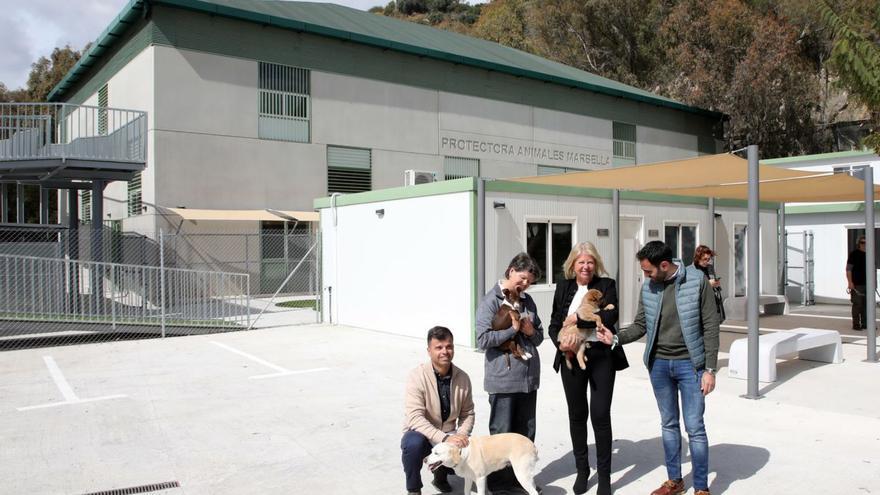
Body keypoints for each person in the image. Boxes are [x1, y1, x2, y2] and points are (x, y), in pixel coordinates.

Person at [596, 241, 720, 495]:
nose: (646, 276)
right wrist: (616, 337)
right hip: (659, 365)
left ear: (664, 265)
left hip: (691, 366)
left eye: (649, 271)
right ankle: (675, 481)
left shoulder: (696, 282)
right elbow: (641, 324)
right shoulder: (649, 287)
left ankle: (702, 488)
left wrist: (710, 369)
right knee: (669, 423)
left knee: (695, 427)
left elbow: (711, 326)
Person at [548, 242, 628, 495]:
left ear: (596, 264)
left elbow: (609, 317)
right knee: (577, 414)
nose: (586, 266)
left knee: (601, 415)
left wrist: (577, 319)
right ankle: (583, 470)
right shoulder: (564, 287)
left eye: (590, 262)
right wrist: (562, 343)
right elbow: (553, 324)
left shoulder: (607, 285)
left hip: (602, 355)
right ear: (573, 264)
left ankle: (604, 476)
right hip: (572, 355)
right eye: (581, 262)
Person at [476, 252, 544, 492]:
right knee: (501, 436)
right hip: (503, 380)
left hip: (528, 380)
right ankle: (498, 484)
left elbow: (539, 337)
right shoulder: (491, 301)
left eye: (530, 281)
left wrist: (528, 332)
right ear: (511, 270)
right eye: (523, 278)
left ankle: (521, 480)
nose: (525, 284)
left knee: (525, 435)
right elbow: (482, 339)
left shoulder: (528, 302)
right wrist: (512, 330)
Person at [401, 326, 475, 495]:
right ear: (429, 351)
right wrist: (445, 438)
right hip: (421, 433)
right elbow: (415, 417)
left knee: (472, 448)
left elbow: (467, 413)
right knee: (412, 444)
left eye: (449, 347)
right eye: (439, 347)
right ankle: (414, 489)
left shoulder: (462, 378)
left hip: (450, 431)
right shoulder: (416, 376)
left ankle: (441, 476)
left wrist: (461, 435)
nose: (445, 351)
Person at [692, 245, 725, 323]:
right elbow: (692, 288)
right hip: (700, 307)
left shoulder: (710, 268)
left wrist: (716, 284)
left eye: (708, 259)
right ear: (698, 258)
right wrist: (708, 284)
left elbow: (713, 282)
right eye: (704, 259)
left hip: (712, 304)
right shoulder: (692, 270)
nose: (706, 261)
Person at [846, 235, 867, 330]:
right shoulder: (854, 254)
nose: (865, 244)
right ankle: (856, 324)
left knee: (867, 305)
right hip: (857, 285)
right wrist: (850, 283)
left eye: (866, 242)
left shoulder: (870, 254)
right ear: (859, 244)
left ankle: (865, 324)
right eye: (862, 242)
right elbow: (848, 269)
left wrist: (874, 284)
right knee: (857, 304)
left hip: (868, 285)